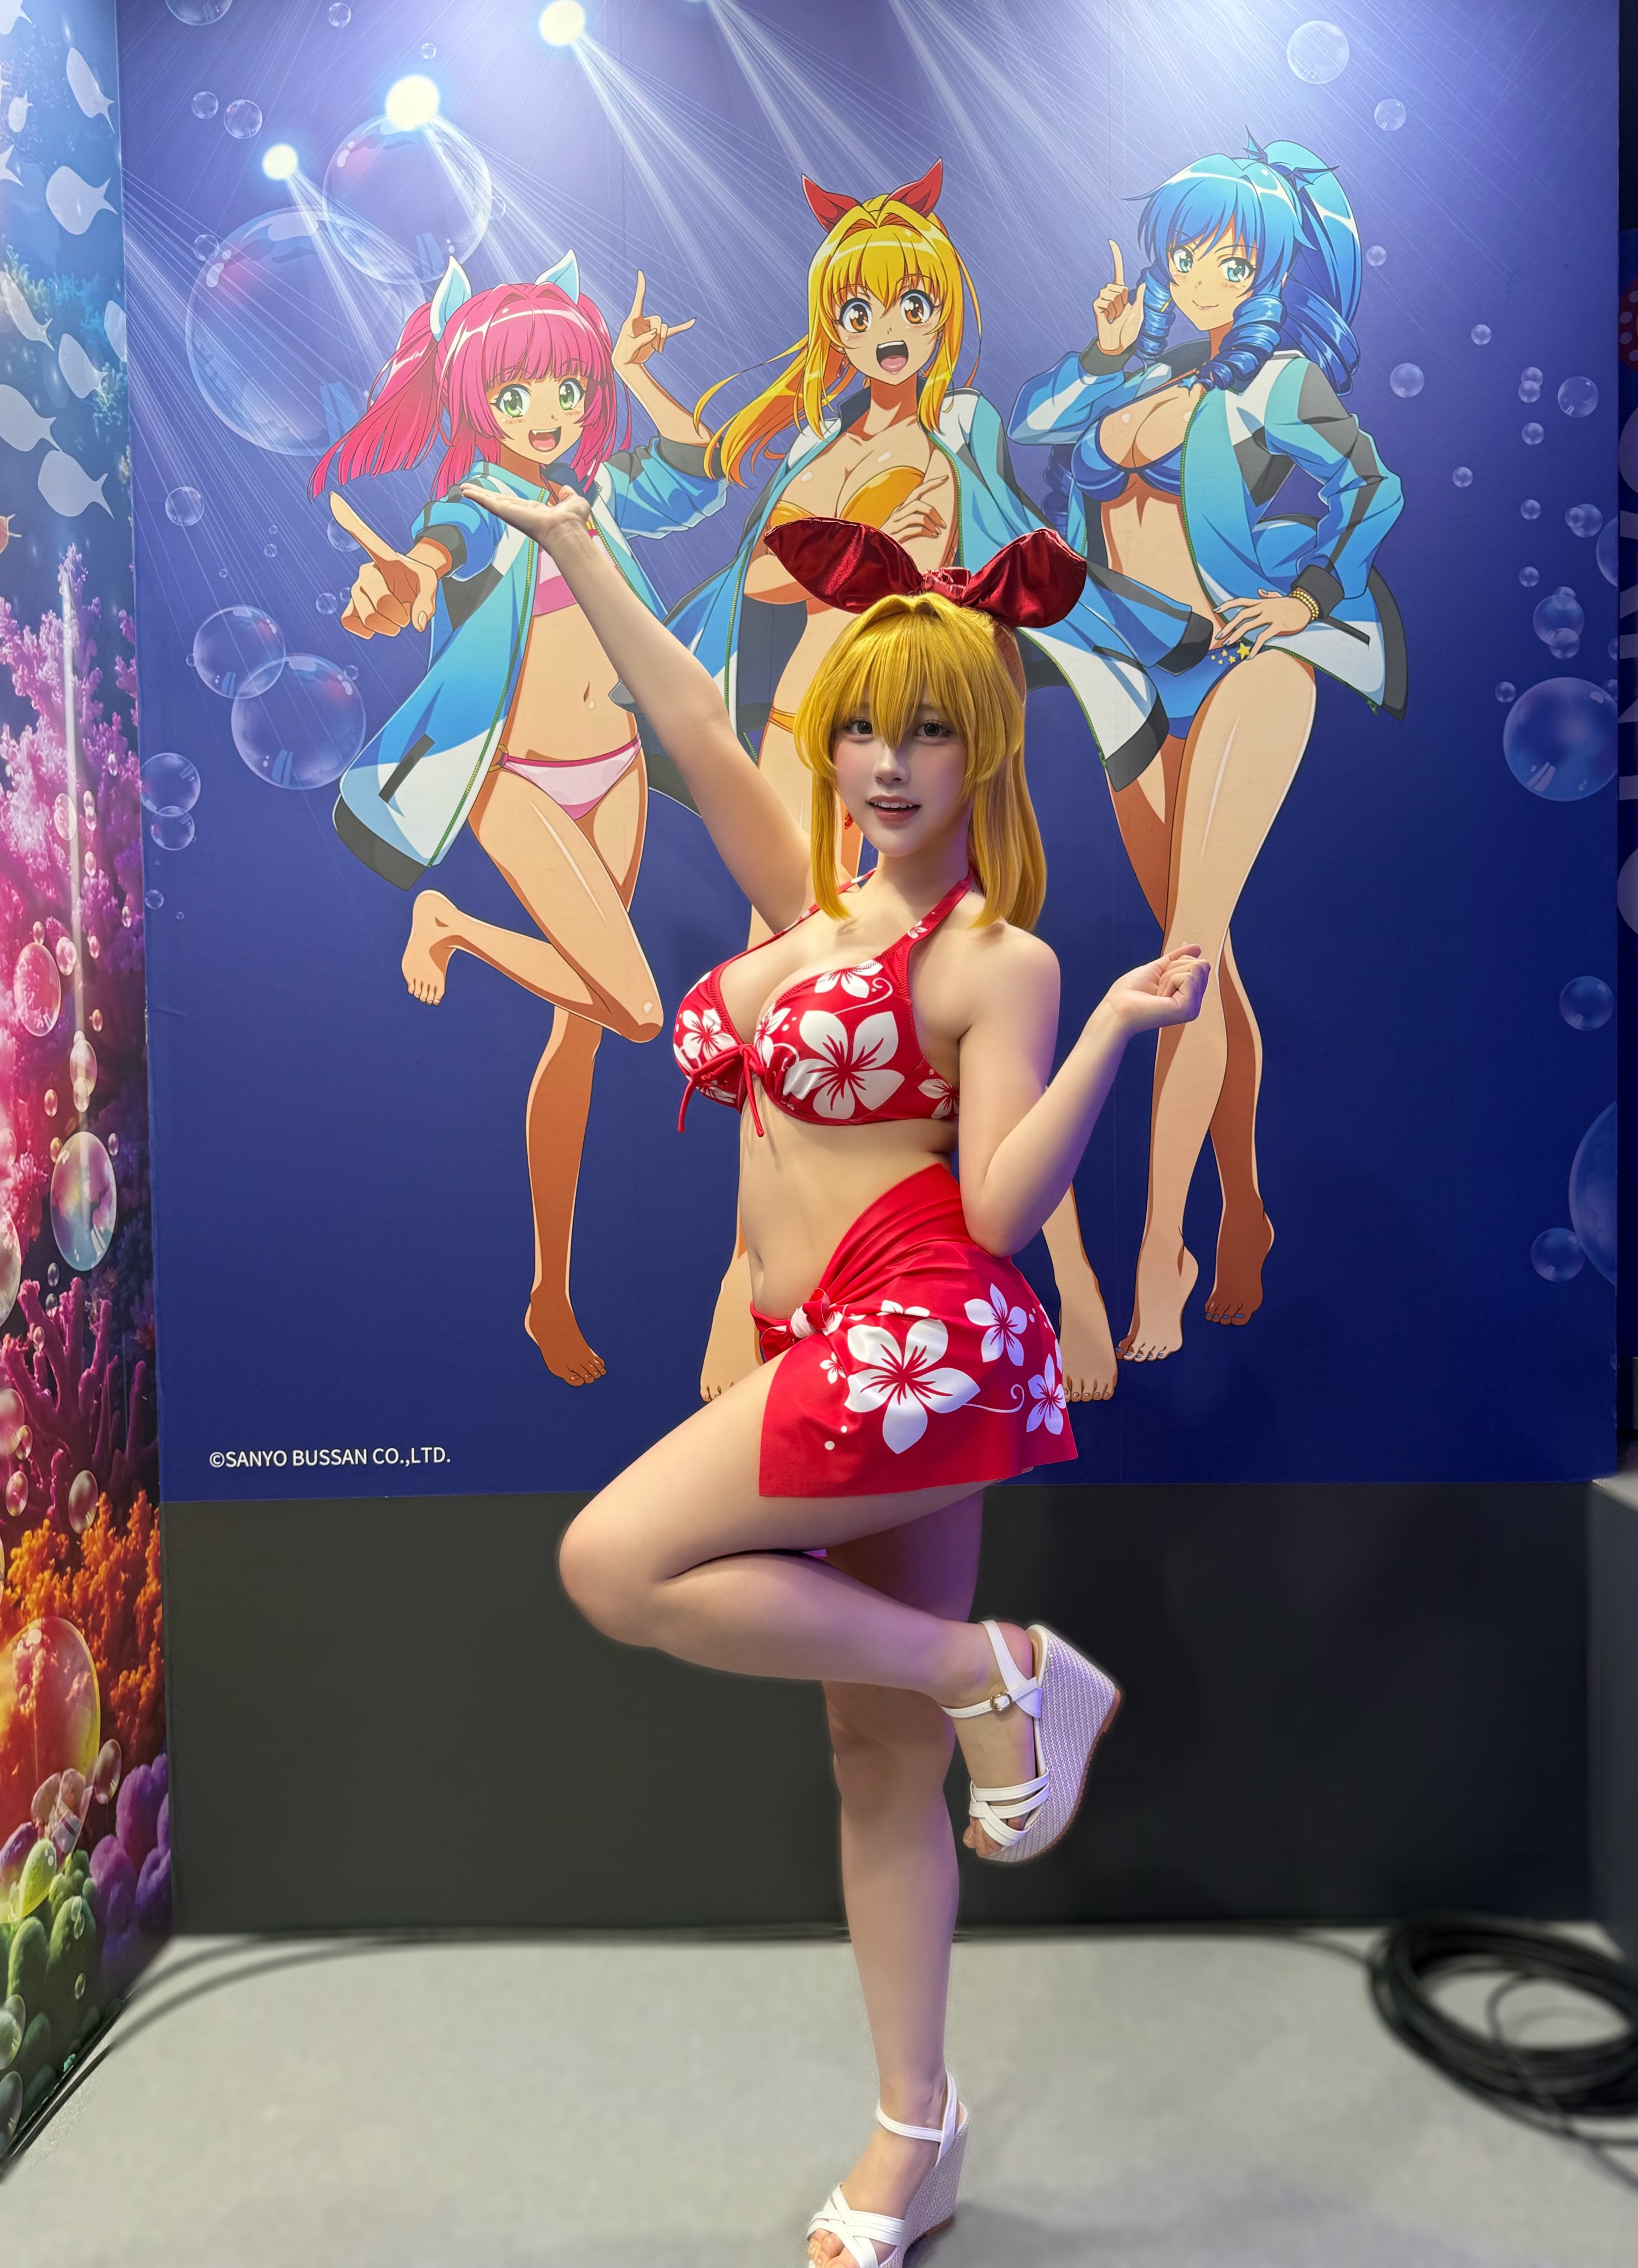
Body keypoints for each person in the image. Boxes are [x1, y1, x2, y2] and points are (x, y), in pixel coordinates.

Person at [464, 472, 1209, 2266]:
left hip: (920, 1329)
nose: (885, 762)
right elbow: (690, 717)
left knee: (614, 1562)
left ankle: (998, 1667)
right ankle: (916, 2128)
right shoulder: (800, 904)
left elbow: (1002, 1208)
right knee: (875, 1752)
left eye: (928, 732)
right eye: (864, 725)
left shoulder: (999, 959)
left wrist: (1108, 1033)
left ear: (985, 752)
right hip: (821, 1341)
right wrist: (579, 551)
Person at [671, 160, 1207, 1409]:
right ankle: (748, 1297)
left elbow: (994, 559)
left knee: (965, 1041)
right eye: (860, 311)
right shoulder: (819, 444)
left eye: (910, 306)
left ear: (943, 314)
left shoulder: (962, 431)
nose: (887, 332)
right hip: (804, 731)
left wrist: (1105, 360)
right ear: (833, 324)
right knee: (791, 1050)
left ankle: (1071, 1280)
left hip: (910, 726)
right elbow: (763, 577)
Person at [1011, 142, 1404, 1360]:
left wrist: (1308, 596)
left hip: (1249, 667)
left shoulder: (1278, 382)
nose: (1202, 277)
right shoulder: (1132, 371)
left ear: (1269, 273)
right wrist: (1106, 349)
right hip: (1138, 679)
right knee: (1208, 959)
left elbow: (1373, 491)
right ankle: (1246, 1207)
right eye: (1189, 254)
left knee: (1180, 956)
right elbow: (1033, 426)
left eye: (1231, 261)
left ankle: (1159, 1252)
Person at [313, 251, 723, 1386]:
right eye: (515, 393)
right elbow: (426, 558)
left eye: (569, 390)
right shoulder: (473, 503)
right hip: (518, 781)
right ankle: (450, 922)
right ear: (474, 402)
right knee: (636, 1007)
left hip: (618, 770)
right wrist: (398, 585)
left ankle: (549, 1291)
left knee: (577, 1030)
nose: (547, 413)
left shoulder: (600, 496)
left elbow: (701, 473)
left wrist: (636, 375)